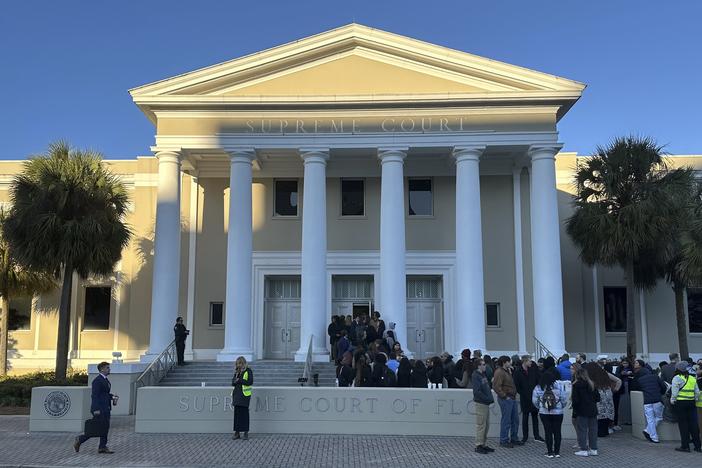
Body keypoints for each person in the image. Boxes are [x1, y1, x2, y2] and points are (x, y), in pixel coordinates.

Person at [74, 361, 118, 454]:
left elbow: (104, 394)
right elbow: (95, 396)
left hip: (106, 408)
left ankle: (102, 447)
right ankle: (80, 439)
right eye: (107, 368)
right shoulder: (97, 381)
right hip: (100, 409)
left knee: (105, 428)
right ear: (102, 369)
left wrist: (112, 397)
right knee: (95, 428)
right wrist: (96, 409)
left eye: (109, 368)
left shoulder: (105, 380)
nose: (109, 369)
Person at [532, 371, 568, 458]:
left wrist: (540, 407)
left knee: (547, 431)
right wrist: (560, 406)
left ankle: (550, 452)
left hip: (544, 413)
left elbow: (534, 401)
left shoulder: (538, 387)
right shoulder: (559, 386)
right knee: (557, 431)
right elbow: (564, 399)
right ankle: (557, 452)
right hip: (558, 413)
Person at [630, 359, 667, 443]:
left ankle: (654, 437)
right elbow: (663, 387)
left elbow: (638, 389)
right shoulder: (656, 377)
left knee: (650, 419)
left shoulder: (640, 380)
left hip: (647, 401)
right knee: (659, 417)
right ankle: (648, 431)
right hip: (657, 400)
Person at [670, 361, 701, 452]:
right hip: (691, 403)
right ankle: (698, 446)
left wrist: (673, 400)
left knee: (683, 425)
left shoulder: (677, 378)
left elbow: (674, 391)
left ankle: (685, 446)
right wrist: (694, 398)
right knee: (693, 424)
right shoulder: (692, 378)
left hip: (681, 404)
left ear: (678, 369)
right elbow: (697, 392)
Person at [492, 355, 521, 447]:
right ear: (504, 362)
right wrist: (504, 396)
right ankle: (504, 440)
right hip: (506, 398)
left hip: (511, 397)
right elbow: (496, 386)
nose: (510, 363)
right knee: (506, 420)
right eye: (509, 361)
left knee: (515, 419)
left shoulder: (507, 371)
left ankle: (514, 438)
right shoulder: (499, 372)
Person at [513, 354, 543, 443]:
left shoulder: (533, 370)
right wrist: (523, 393)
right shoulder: (518, 372)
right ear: (525, 361)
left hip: (534, 397)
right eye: (529, 361)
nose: (531, 362)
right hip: (525, 397)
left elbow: (538, 380)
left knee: (535, 416)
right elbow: (517, 385)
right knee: (525, 417)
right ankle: (525, 436)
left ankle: (536, 435)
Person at [584, 362, 618, 437]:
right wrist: (615, 390)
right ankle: (605, 430)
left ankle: (599, 432)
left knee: (599, 413)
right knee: (607, 412)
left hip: (598, 394)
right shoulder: (604, 373)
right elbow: (618, 380)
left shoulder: (590, 375)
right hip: (607, 393)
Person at [572, 367, 599, 457]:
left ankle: (583, 449)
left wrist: (575, 410)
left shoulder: (576, 385)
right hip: (592, 410)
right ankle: (593, 448)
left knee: (582, 430)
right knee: (593, 430)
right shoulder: (592, 384)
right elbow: (598, 398)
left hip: (581, 410)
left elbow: (575, 400)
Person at [472, 358, 495, 454]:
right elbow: (477, 392)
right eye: (483, 364)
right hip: (481, 403)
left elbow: (486, 387)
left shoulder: (482, 375)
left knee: (486, 424)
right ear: (479, 366)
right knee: (481, 424)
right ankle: (478, 445)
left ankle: (483, 443)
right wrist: (487, 398)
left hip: (485, 403)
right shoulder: (476, 376)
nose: (485, 366)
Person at [232, 356, 253, 440]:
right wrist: (235, 380)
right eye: (237, 364)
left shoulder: (248, 371)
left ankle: (245, 433)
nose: (238, 365)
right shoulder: (237, 372)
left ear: (243, 363)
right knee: (237, 414)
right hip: (237, 395)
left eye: (240, 363)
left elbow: (250, 382)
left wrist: (239, 380)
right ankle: (237, 433)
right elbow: (233, 383)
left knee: (244, 414)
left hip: (244, 396)